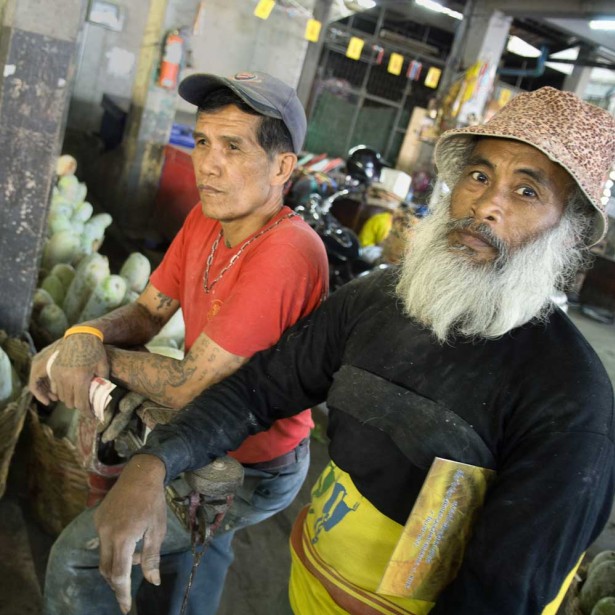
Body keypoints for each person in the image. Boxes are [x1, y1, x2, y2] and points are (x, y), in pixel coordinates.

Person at [95, 86, 615, 615]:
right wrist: (155, 460)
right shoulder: (381, 299)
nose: (486, 206)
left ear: (569, 232)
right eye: (478, 177)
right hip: (305, 586)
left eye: (526, 193)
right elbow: (259, 389)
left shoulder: (571, 398)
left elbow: (498, 596)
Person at [29, 71, 328, 615]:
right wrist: (85, 333)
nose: (207, 163)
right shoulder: (205, 220)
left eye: (233, 147)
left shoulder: (288, 252)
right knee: (195, 556)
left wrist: (86, 354)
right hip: (202, 440)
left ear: (283, 167)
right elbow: (148, 312)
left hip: (255, 463)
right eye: (203, 142)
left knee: (79, 557)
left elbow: (191, 385)